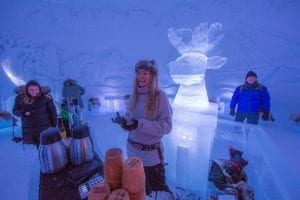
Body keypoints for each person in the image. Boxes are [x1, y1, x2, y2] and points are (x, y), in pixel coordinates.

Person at [112, 59, 173, 195]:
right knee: (137, 192)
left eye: (145, 73)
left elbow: (167, 126)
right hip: (132, 155)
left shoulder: (160, 96)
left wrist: (139, 124)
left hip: (151, 159)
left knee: (159, 194)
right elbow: (130, 119)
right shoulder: (134, 95)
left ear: (153, 75)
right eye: (138, 73)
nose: (141, 76)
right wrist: (125, 122)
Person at [12, 80, 57, 146]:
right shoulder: (20, 98)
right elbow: (15, 111)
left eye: (36, 89)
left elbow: (53, 112)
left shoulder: (46, 97)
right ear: (27, 89)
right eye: (31, 89)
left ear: (39, 89)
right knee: (38, 147)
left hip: (45, 127)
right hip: (30, 129)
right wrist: (23, 113)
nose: (34, 91)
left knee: (48, 146)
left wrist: (53, 126)